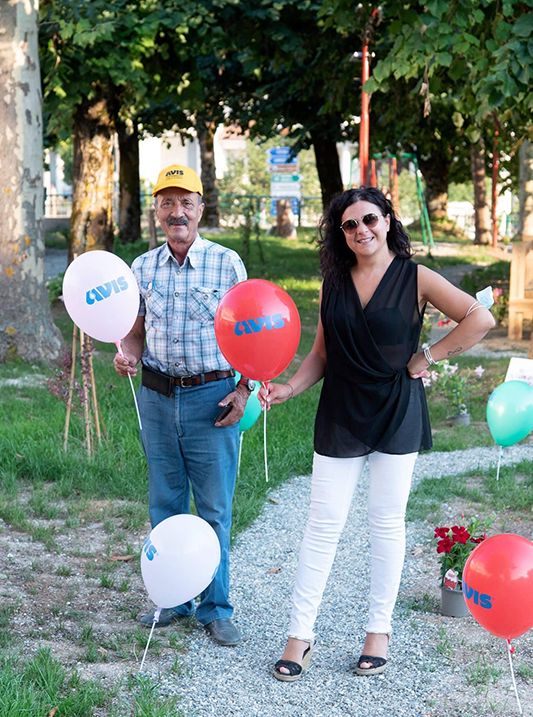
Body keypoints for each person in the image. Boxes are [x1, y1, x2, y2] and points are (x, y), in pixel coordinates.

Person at [260, 187, 494, 680]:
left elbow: (480, 318)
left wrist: (427, 355)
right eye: (349, 225)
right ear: (340, 234)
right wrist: (291, 388)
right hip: (341, 409)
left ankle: (378, 631)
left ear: (387, 220)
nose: (361, 230)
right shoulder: (333, 282)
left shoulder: (416, 277)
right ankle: (299, 636)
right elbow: (322, 353)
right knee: (322, 524)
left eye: (369, 219)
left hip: (396, 407)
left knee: (386, 523)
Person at [114, 164, 254, 647]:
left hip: (211, 400)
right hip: (155, 397)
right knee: (166, 506)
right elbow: (134, 329)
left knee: (214, 509)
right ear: (156, 210)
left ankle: (215, 608)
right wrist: (127, 353)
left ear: (200, 208)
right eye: (167, 202)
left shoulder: (226, 264)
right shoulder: (142, 267)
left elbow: (254, 332)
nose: (177, 212)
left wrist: (244, 390)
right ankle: (172, 599)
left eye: (186, 202)